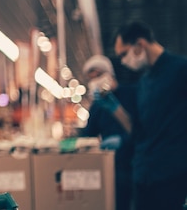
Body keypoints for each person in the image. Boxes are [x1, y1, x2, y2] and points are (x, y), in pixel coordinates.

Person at [113, 21, 187, 210]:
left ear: (140, 44)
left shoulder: (181, 70)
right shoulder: (144, 82)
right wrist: (115, 109)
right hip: (143, 178)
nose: (123, 61)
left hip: (172, 179)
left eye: (124, 54)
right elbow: (138, 131)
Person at [80, 54, 137, 210]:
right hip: (110, 165)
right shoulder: (98, 105)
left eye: (98, 76)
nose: (95, 81)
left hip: (133, 163)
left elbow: (142, 129)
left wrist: (123, 140)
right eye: (91, 79)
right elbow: (88, 134)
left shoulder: (132, 93)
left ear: (109, 73)